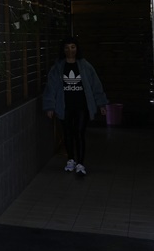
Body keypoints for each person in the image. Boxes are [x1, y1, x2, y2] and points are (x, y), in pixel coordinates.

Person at [43, 37, 108, 176]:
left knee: (79, 133)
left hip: (81, 106)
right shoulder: (57, 68)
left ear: (77, 49)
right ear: (63, 50)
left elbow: (95, 85)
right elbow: (51, 88)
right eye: (67, 47)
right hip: (64, 106)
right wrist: (50, 106)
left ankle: (80, 163)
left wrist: (101, 103)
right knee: (67, 133)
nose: (70, 50)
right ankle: (71, 159)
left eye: (73, 47)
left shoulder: (85, 66)